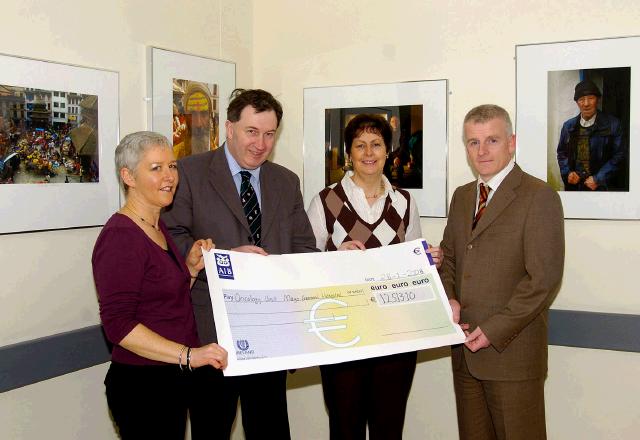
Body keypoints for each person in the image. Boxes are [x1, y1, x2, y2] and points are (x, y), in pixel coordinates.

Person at [162, 88, 317, 439]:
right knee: (211, 429)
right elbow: (172, 238)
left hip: (272, 334)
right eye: (251, 132)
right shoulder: (188, 172)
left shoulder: (286, 181)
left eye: (269, 134)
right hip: (210, 336)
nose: (261, 144)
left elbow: (304, 248)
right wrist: (228, 260)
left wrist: (339, 264)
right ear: (229, 129)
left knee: (271, 429)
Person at [307, 113, 442, 440]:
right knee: (345, 426)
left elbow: (412, 267)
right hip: (343, 334)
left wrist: (428, 260)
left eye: (376, 145)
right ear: (349, 153)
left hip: (395, 334)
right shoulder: (325, 201)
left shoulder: (405, 202)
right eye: (360, 145)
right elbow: (305, 265)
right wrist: (335, 257)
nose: (369, 153)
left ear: (387, 151)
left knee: (388, 427)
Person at [91, 131, 228, 439]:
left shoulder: (157, 225)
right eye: (156, 168)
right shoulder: (121, 236)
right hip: (142, 385)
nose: (169, 177)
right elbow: (119, 326)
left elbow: (161, 303)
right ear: (128, 176)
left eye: (173, 166)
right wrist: (190, 356)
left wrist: (190, 270)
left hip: (171, 377)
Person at [440, 105, 564, 440]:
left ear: (511, 143)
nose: (481, 151)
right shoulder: (463, 197)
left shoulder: (539, 196)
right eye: (472, 142)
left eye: (491, 140)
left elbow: (543, 281)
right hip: (464, 353)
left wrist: (492, 330)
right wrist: (448, 297)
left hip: (512, 356)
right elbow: (449, 257)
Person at [556, 79, 626, 191]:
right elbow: (561, 153)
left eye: (591, 98)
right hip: (575, 188)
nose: (586, 103)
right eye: (581, 99)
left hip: (602, 188)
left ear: (597, 99)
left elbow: (619, 155)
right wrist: (568, 172)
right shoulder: (568, 126)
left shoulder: (613, 124)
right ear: (577, 102)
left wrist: (598, 179)